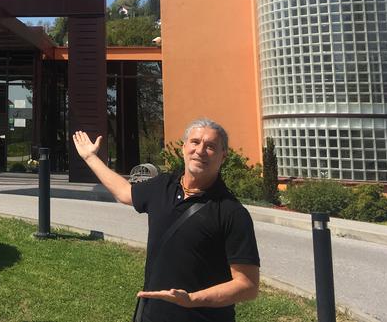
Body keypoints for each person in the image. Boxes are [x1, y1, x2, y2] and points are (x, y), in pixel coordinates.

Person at [73, 118, 260, 321]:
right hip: (152, 315)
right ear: (184, 148)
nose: (200, 150)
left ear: (223, 156)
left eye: (210, 146)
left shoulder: (232, 212)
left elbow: (247, 285)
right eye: (195, 142)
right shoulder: (163, 186)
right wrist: (90, 157)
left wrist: (192, 299)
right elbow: (125, 192)